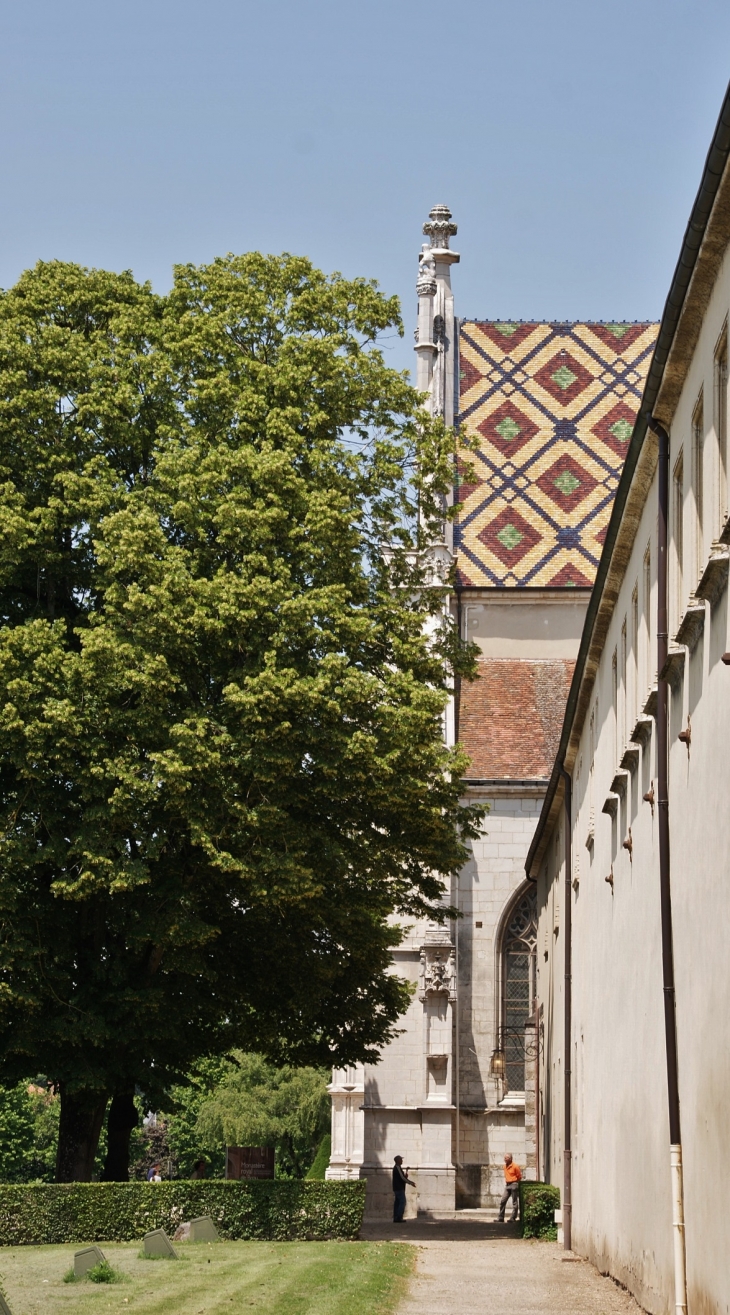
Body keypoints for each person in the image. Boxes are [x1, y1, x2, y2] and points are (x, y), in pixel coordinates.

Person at [498, 1153, 522, 1222]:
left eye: (506, 1158)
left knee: (514, 1202)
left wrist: (515, 1183)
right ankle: (501, 1217)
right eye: (504, 1158)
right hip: (507, 1185)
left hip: (514, 1184)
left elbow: (519, 1177)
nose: (505, 1159)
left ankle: (513, 1218)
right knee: (503, 1200)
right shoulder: (504, 1166)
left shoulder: (515, 1166)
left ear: (511, 1159)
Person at [392, 1155, 415, 1223]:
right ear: (398, 1160)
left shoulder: (398, 1168)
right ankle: (399, 1217)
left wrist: (406, 1172)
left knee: (397, 1202)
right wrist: (411, 1183)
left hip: (397, 1187)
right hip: (399, 1188)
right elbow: (402, 1178)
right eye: (401, 1159)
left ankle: (396, 1217)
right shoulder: (397, 1167)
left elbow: (402, 1177)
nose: (402, 1161)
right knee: (402, 1201)